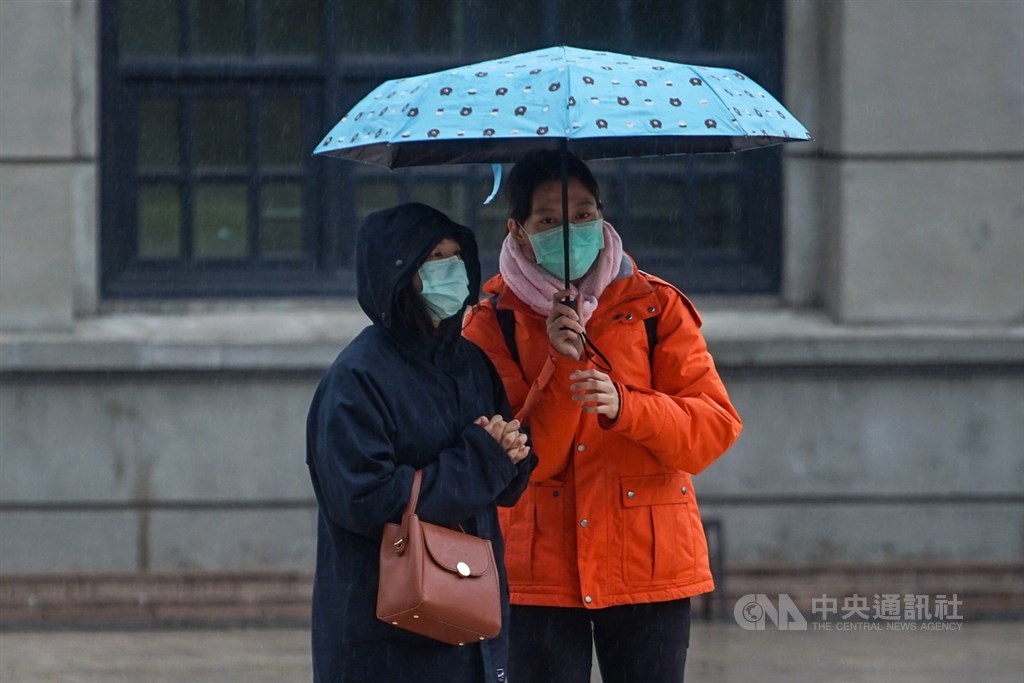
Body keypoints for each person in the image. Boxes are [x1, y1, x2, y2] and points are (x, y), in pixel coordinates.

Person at [462, 150, 742, 683]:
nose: (570, 231)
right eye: (549, 220)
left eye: (584, 215)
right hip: (537, 571)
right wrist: (559, 369)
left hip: (647, 563)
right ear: (518, 231)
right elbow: (519, 464)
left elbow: (712, 429)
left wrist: (627, 408)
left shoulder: (655, 306)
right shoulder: (490, 324)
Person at [306, 202, 535, 683]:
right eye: (434, 257)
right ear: (398, 270)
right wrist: (481, 459)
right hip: (387, 636)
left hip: (473, 624)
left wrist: (511, 453)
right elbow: (365, 499)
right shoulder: (357, 378)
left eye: (457, 254)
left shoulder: (470, 362)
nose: (450, 269)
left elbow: (502, 480)